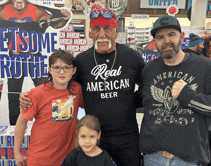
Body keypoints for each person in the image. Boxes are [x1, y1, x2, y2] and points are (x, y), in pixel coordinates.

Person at [20, 8, 145, 166]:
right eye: (96, 29)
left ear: (116, 31)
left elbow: (146, 86)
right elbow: (62, 86)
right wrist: (30, 95)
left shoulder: (132, 57)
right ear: (90, 33)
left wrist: (130, 101)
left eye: (107, 29)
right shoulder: (82, 61)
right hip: (93, 137)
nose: (102, 34)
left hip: (127, 137)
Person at [137, 15, 211, 166]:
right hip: (153, 157)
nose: (166, 40)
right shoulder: (149, 70)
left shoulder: (205, 67)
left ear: (182, 37)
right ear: (155, 42)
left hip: (188, 159)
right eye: (160, 37)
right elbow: (141, 98)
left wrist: (188, 96)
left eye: (171, 34)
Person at [0, 0, 71, 125]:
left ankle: (53, 124)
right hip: (15, 57)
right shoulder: (3, 10)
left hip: (35, 57)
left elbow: (57, 23)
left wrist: (66, 15)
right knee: (13, 94)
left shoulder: (37, 9)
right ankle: (13, 128)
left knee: (46, 90)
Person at [14, 50, 84, 166]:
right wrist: (17, 153)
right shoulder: (37, 93)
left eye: (67, 67)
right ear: (50, 70)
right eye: (57, 67)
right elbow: (21, 121)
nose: (62, 72)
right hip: (40, 159)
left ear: (74, 70)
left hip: (67, 158)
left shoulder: (77, 89)